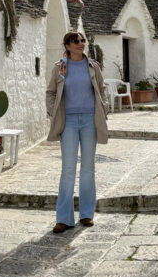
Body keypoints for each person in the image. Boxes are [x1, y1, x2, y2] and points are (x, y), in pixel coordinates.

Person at [45, 31, 110, 233]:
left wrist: (104, 106)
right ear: (67, 46)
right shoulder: (60, 68)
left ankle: (86, 214)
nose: (81, 43)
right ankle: (63, 218)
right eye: (76, 41)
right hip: (69, 122)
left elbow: (101, 88)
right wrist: (52, 111)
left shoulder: (93, 66)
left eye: (82, 40)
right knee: (68, 170)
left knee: (88, 168)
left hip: (90, 120)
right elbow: (51, 92)